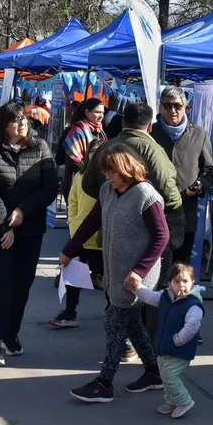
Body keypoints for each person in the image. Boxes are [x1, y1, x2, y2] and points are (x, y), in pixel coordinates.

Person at [61, 144, 170, 403]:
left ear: (126, 169)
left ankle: (104, 383)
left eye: (112, 172)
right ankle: (154, 372)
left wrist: (139, 271)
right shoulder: (108, 191)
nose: (107, 177)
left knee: (113, 323)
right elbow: (91, 221)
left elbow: (162, 236)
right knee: (132, 324)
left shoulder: (146, 195)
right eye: (106, 172)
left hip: (135, 275)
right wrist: (69, 250)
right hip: (114, 270)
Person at [0, 101, 58, 367]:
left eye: (23, 118)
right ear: (4, 126)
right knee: (2, 282)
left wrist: (23, 211)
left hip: (31, 228)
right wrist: (6, 226)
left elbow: (50, 187)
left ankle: (10, 334)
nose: (22, 123)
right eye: (15, 120)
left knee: (22, 284)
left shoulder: (40, 147)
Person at [150, 86, 213, 263]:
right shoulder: (150, 133)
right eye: (167, 106)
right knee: (156, 266)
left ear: (185, 107)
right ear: (160, 106)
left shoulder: (199, 135)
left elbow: (210, 170)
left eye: (177, 106)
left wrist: (202, 183)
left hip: (186, 211)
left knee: (180, 267)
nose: (172, 110)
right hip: (155, 209)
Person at [130, 263, 203, 419]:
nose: (181, 285)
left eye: (185, 281)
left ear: (192, 283)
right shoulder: (165, 297)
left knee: (170, 376)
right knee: (165, 375)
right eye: (177, 281)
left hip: (180, 351)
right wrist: (136, 287)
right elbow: (149, 296)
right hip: (164, 348)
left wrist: (178, 341)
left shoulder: (193, 305)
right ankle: (172, 401)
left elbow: (192, 327)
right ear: (170, 283)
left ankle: (184, 401)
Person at [50, 139, 104, 329]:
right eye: (93, 150)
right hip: (79, 235)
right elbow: (72, 201)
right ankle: (69, 312)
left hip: (102, 240)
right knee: (73, 278)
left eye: (100, 150)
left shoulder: (110, 177)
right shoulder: (80, 175)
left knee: (108, 280)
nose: (96, 153)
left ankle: (113, 314)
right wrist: (72, 224)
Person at [62, 97, 106, 199]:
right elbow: (74, 163)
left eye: (102, 113)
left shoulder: (100, 131)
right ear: (87, 112)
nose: (101, 116)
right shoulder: (76, 132)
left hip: (95, 184)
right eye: (97, 112)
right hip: (77, 185)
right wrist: (93, 171)